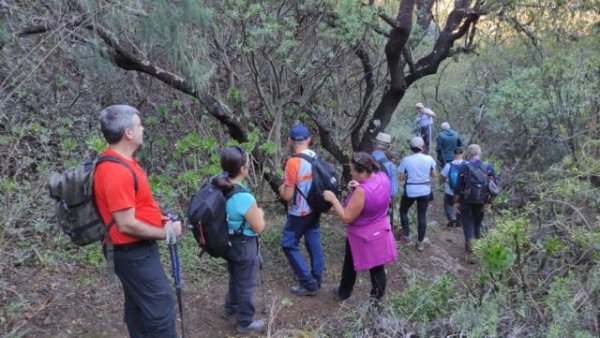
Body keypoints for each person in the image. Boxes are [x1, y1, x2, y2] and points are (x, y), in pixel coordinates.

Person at [93, 105, 182, 338]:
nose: (142, 128)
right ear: (128, 133)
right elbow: (126, 224)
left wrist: (162, 219)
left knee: (138, 306)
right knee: (160, 306)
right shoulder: (116, 172)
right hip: (132, 253)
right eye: (138, 124)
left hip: (132, 251)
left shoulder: (124, 163)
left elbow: (137, 207)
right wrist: (167, 232)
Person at [323, 152, 397, 301]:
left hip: (361, 235)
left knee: (350, 264)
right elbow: (380, 194)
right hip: (381, 230)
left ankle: (344, 292)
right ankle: (376, 301)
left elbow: (346, 217)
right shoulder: (383, 177)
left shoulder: (362, 192)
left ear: (362, 172)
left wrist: (333, 199)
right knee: (378, 268)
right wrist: (360, 185)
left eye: (352, 170)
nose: (350, 173)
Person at [213, 146, 266, 333]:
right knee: (246, 282)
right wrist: (259, 212)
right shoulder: (243, 197)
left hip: (228, 242)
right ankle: (245, 321)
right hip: (244, 244)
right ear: (242, 169)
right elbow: (259, 227)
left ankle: (230, 307)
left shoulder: (217, 184)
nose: (249, 166)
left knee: (235, 277)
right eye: (248, 163)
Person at [278, 123, 324, 296]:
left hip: (299, 211)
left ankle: (308, 283)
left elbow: (287, 195)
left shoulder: (293, 162)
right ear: (309, 140)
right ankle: (317, 278)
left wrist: (281, 189)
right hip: (315, 208)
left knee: (288, 244)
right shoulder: (315, 156)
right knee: (313, 241)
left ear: (290, 140)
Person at [453, 144, 499, 256]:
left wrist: (456, 202)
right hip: (482, 201)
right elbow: (495, 187)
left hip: (466, 200)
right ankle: (477, 250)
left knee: (468, 224)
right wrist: (489, 203)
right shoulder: (488, 166)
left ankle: (470, 251)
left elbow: (458, 186)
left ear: (468, 154)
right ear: (479, 153)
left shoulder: (464, 166)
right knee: (477, 224)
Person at [397, 136, 437, 252]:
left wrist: (407, 175)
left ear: (411, 148)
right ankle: (420, 242)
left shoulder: (406, 160)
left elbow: (400, 177)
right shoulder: (429, 159)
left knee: (403, 210)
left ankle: (406, 236)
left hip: (410, 190)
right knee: (422, 215)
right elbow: (434, 174)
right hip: (425, 190)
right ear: (422, 146)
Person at [440, 147, 465, 228]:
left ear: (454, 155)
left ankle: (451, 217)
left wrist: (442, 183)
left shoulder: (449, 165)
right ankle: (459, 222)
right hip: (462, 191)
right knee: (460, 205)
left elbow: (442, 176)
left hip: (450, 190)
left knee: (448, 204)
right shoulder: (467, 164)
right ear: (462, 154)